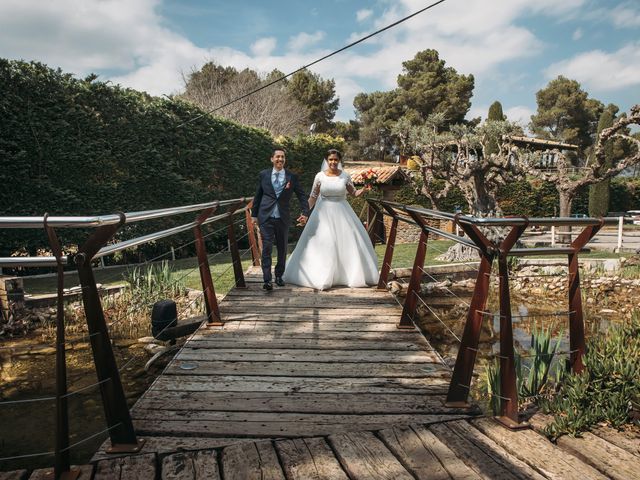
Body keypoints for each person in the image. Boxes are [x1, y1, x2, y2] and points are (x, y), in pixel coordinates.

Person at [283, 149, 378, 290]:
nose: (333, 162)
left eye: (336, 159)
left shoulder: (345, 176)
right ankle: (322, 276)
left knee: (346, 243)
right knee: (325, 243)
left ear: (339, 161)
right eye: (330, 159)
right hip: (322, 213)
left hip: (342, 212)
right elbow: (313, 197)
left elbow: (354, 193)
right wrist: (305, 213)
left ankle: (346, 275)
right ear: (327, 161)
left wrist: (364, 189)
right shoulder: (320, 176)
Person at [251, 147, 309, 291]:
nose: (280, 159)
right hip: (266, 217)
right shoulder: (263, 175)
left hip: (283, 217)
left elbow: (302, 196)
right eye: (277, 157)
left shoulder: (291, 177)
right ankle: (267, 280)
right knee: (267, 248)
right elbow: (258, 196)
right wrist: (254, 215)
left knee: (282, 248)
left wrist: (305, 212)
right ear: (272, 159)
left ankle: (278, 276)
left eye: (282, 157)